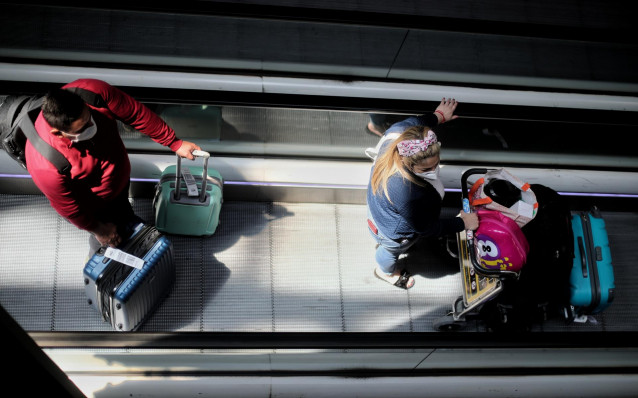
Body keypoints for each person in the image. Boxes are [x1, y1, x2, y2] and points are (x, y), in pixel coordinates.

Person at [25, 78, 201, 256]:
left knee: (123, 214)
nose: (91, 126)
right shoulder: (45, 164)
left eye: (89, 118)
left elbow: (135, 113)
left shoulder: (93, 93)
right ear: (58, 132)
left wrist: (174, 143)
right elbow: (69, 207)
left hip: (118, 181)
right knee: (107, 239)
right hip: (94, 204)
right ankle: (101, 254)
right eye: (82, 128)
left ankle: (125, 221)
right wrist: (99, 229)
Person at [366, 98, 479, 289]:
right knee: (389, 251)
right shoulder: (407, 192)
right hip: (394, 233)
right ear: (409, 164)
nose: (434, 170)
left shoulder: (398, 135)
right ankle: (385, 271)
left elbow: (416, 122)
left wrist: (438, 116)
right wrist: (462, 223)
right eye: (426, 168)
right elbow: (424, 227)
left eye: (436, 163)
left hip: (379, 213)